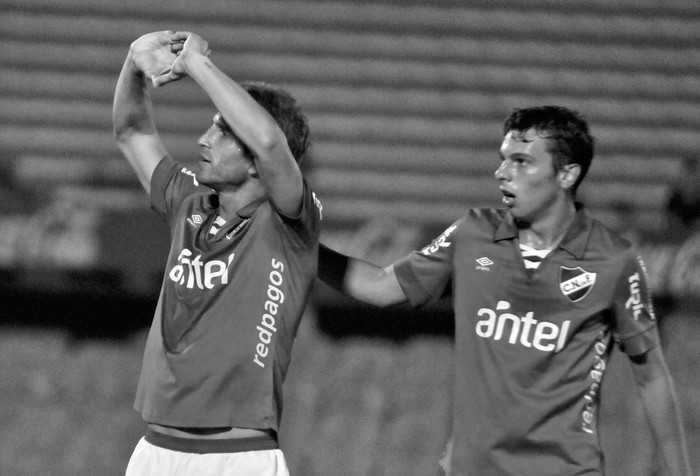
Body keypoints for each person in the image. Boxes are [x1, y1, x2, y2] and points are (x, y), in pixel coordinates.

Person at [318, 106, 691, 476]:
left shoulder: (614, 260)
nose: (502, 173)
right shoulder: (473, 234)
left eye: (521, 162)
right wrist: (302, 245)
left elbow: (652, 375)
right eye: (502, 160)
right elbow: (379, 288)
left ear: (566, 174)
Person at [113, 30, 321, 476]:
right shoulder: (187, 201)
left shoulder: (289, 220)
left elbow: (269, 142)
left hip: (239, 457)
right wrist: (133, 64)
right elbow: (131, 130)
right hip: (155, 451)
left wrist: (197, 64)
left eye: (222, 131)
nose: (204, 139)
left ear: (253, 164)